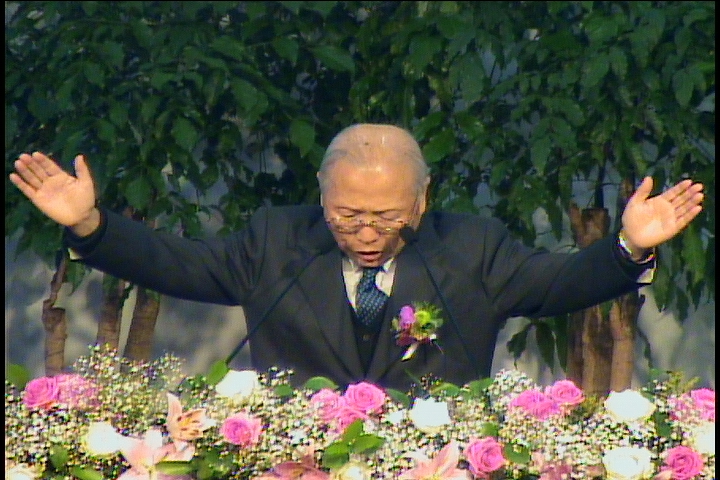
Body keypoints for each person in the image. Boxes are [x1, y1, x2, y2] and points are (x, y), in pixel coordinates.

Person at [10, 124, 704, 391]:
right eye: (346, 215)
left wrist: (629, 246)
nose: (366, 231)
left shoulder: (471, 248)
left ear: (422, 201)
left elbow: (558, 283)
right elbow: (179, 264)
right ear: (321, 197)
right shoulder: (276, 240)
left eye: (386, 216)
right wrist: (92, 226)